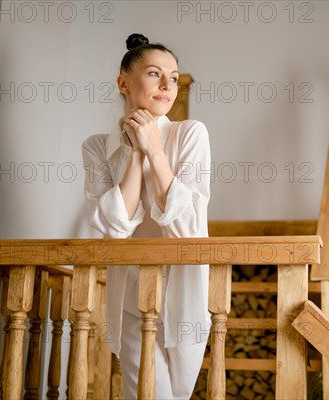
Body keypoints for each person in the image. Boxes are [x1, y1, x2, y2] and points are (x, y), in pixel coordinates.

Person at [82, 33, 211, 399]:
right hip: (131, 292)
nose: (167, 85)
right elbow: (114, 226)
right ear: (124, 82)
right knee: (147, 394)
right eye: (155, 74)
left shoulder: (191, 134)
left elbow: (187, 225)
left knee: (179, 392)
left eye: (174, 77)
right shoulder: (96, 147)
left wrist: (155, 149)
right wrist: (136, 152)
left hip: (185, 286)